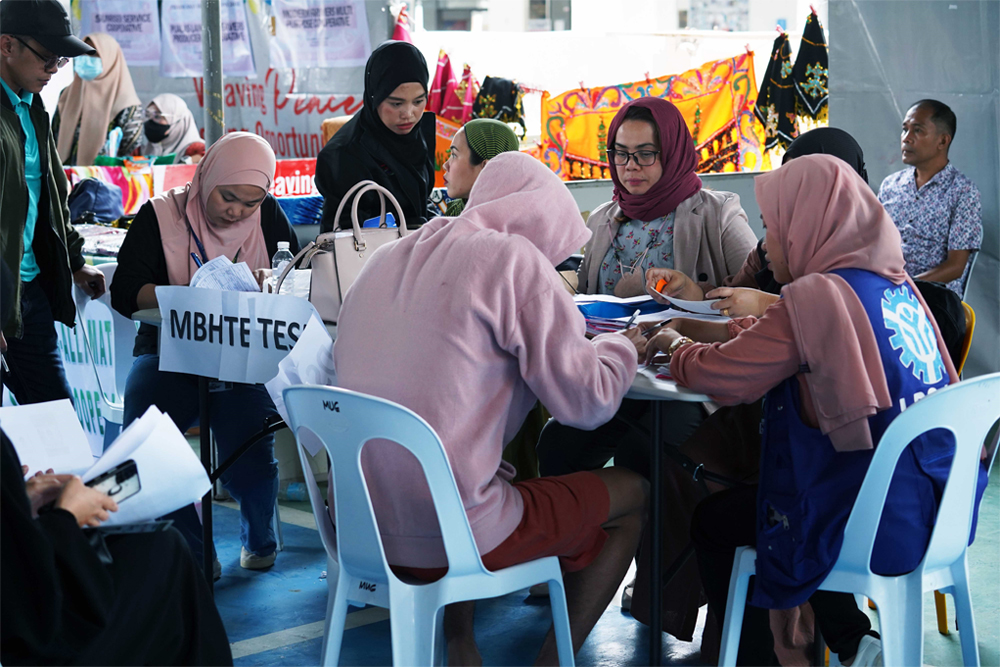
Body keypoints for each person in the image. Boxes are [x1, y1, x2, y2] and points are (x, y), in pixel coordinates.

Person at [645, 154, 989, 666]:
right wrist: (697, 330)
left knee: (718, 518)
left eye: (775, 227)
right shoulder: (895, 284)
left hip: (874, 524)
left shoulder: (817, 297)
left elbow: (722, 376)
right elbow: (774, 339)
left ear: (809, 225)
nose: (767, 244)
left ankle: (753, 656)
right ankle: (850, 641)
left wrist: (672, 346)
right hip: (940, 511)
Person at [333, 151, 649, 665]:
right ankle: (552, 661)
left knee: (479, 477)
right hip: (452, 533)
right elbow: (585, 403)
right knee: (634, 494)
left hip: (358, 526)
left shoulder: (388, 256)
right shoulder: (513, 260)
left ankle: (460, 644)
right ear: (539, 223)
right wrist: (624, 346)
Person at [0, 258, 233, 667]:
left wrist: (19, 498)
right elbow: (27, 611)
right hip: (29, 631)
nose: (4, 344)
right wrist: (67, 517)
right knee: (164, 553)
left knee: (155, 547)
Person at [537, 96, 756, 493]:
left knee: (650, 448)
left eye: (645, 154)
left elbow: (755, 293)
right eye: (620, 154)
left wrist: (695, 292)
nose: (630, 167)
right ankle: (588, 546)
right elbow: (587, 298)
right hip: (618, 373)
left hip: (682, 378)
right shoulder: (606, 218)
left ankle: (647, 539)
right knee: (557, 445)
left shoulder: (716, 213)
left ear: (672, 152)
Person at [111, 132, 298, 573]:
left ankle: (260, 537)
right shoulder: (160, 215)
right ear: (206, 177)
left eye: (249, 203)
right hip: (166, 348)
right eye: (228, 196)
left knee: (251, 443)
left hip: (242, 352)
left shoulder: (268, 216)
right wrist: (192, 296)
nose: (237, 211)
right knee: (149, 435)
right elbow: (125, 293)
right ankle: (192, 551)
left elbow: (296, 277)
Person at [0, 0, 107, 406]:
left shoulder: (34, 107)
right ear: (7, 45)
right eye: (47, 57)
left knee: (57, 418)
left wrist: (74, 261)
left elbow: (50, 195)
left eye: (60, 60)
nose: (53, 70)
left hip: (29, 291)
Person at [316, 40, 437, 233]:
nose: (409, 113)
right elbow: (342, 235)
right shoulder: (344, 155)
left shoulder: (417, 134)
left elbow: (419, 203)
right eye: (396, 103)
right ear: (375, 96)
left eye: (418, 101)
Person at [878, 99, 982, 297]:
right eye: (904, 129)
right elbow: (872, 243)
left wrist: (905, 288)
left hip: (933, 300)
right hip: (886, 291)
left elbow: (955, 267)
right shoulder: (890, 186)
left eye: (917, 130)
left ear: (942, 141)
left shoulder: (963, 192)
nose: (906, 138)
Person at [53, 32, 142, 166]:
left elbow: (132, 157)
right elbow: (52, 140)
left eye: (93, 54)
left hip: (108, 182)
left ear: (110, 58)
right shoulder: (67, 95)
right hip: (65, 179)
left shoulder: (127, 106)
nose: (85, 58)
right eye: (82, 53)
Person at [442, 118, 519, 216]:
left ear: (487, 168)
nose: (445, 166)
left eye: (454, 155)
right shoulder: (455, 211)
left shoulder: (514, 223)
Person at [142, 93, 206, 164]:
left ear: (178, 122)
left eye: (157, 116)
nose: (151, 121)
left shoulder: (199, 151)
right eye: (148, 115)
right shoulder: (144, 150)